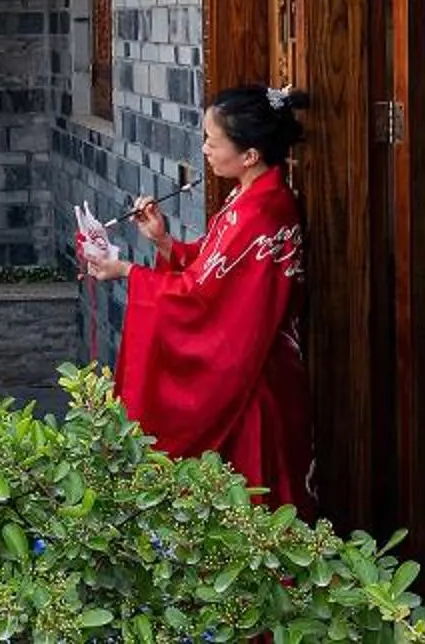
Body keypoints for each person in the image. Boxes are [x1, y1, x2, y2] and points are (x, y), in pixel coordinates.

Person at [77, 85, 314, 513]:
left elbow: (203, 298)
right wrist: (164, 242)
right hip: (254, 366)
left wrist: (127, 271)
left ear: (249, 155)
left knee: (249, 504)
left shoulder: (261, 212)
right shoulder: (252, 195)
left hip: (250, 380)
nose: (204, 149)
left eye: (212, 141)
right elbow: (214, 272)